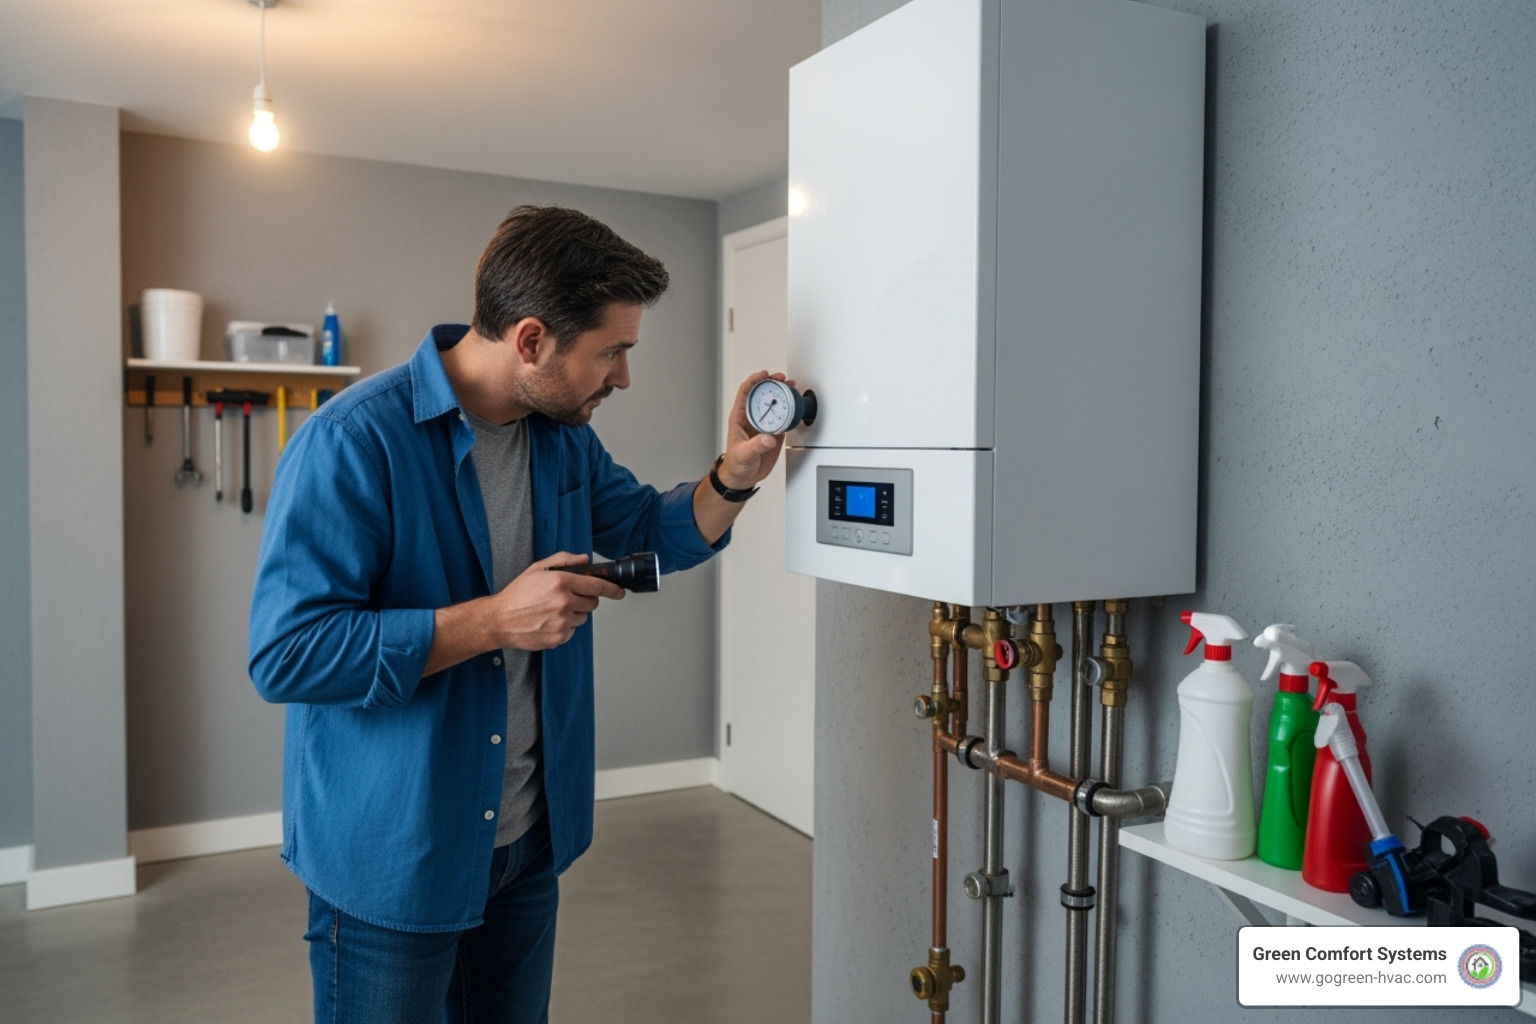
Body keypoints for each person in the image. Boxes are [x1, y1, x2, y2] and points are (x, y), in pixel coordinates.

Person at [247, 205, 783, 1024]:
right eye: (612, 353)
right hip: (396, 856)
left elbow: (645, 527)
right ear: (531, 340)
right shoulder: (352, 441)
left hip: (526, 843)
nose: (623, 378)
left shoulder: (561, 438)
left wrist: (736, 474)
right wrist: (495, 620)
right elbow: (289, 654)